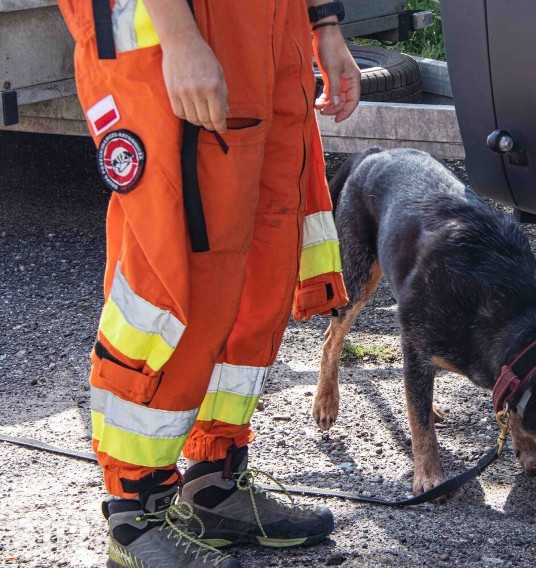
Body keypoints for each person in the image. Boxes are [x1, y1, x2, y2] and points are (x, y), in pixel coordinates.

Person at [56, 0, 360, 565]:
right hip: (175, 27)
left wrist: (324, 23)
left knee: (259, 263)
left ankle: (215, 481)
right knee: (176, 275)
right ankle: (135, 509)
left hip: (268, 27)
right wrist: (178, 36)